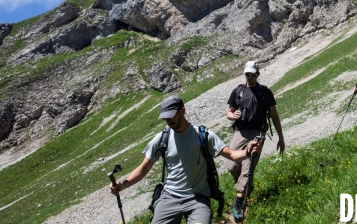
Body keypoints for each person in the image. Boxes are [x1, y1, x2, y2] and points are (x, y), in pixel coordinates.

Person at [109, 95, 261, 224]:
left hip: (198, 199)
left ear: (183, 111)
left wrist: (248, 151)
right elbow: (143, 169)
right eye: (165, 118)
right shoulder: (162, 138)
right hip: (169, 196)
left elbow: (233, 155)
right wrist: (122, 185)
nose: (168, 121)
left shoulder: (203, 135)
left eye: (171, 116)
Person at [226, 61, 285, 221]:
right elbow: (229, 112)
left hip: (258, 132)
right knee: (231, 166)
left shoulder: (265, 92)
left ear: (258, 75)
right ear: (244, 74)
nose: (250, 78)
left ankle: (239, 198)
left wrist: (281, 137)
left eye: (253, 75)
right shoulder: (238, 91)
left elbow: (274, 115)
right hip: (240, 131)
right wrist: (233, 116)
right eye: (248, 75)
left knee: (248, 165)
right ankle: (246, 187)